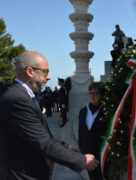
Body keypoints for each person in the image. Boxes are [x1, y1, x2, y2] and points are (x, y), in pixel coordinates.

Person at [0, 51, 99, 180]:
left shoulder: (21, 95)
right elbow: (43, 142)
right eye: (45, 72)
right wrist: (81, 161)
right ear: (30, 71)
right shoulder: (17, 99)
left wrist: (66, 147)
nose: (49, 77)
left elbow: (40, 133)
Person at [78, 82, 107, 180]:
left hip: (101, 154)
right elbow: (80, 132)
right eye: (90, 93)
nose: (92, 96)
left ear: (101, 95)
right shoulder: (83, 111)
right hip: (88, 154)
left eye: (96, 93)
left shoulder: (106, 111)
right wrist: (82, 152)